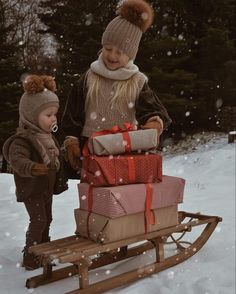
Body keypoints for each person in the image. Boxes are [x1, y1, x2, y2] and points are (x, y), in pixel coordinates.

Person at [62, 0, 172, 171]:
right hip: (91, 149)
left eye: (119, 52)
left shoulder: (137, 81)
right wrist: (72, 139)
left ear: (130, 55)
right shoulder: (89, 77)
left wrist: (154, 123)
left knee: (123, 192)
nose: (112, 55)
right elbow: (72, 113)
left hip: (125, 148)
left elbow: (154, 110)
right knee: (98, 193)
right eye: (108, 48)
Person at [2, 75, 68, 270]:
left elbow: (54, 158)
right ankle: (31, 255)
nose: (53, 118)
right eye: (48, 115)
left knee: (47, 218)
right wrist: (32, 167)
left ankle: (44, 248)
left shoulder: (47, 136)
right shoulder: (22, 140)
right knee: (38, 219)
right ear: (31, 115)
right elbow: (17, 160)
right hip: (32, 187)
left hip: (46, 187)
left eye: (54, 114)